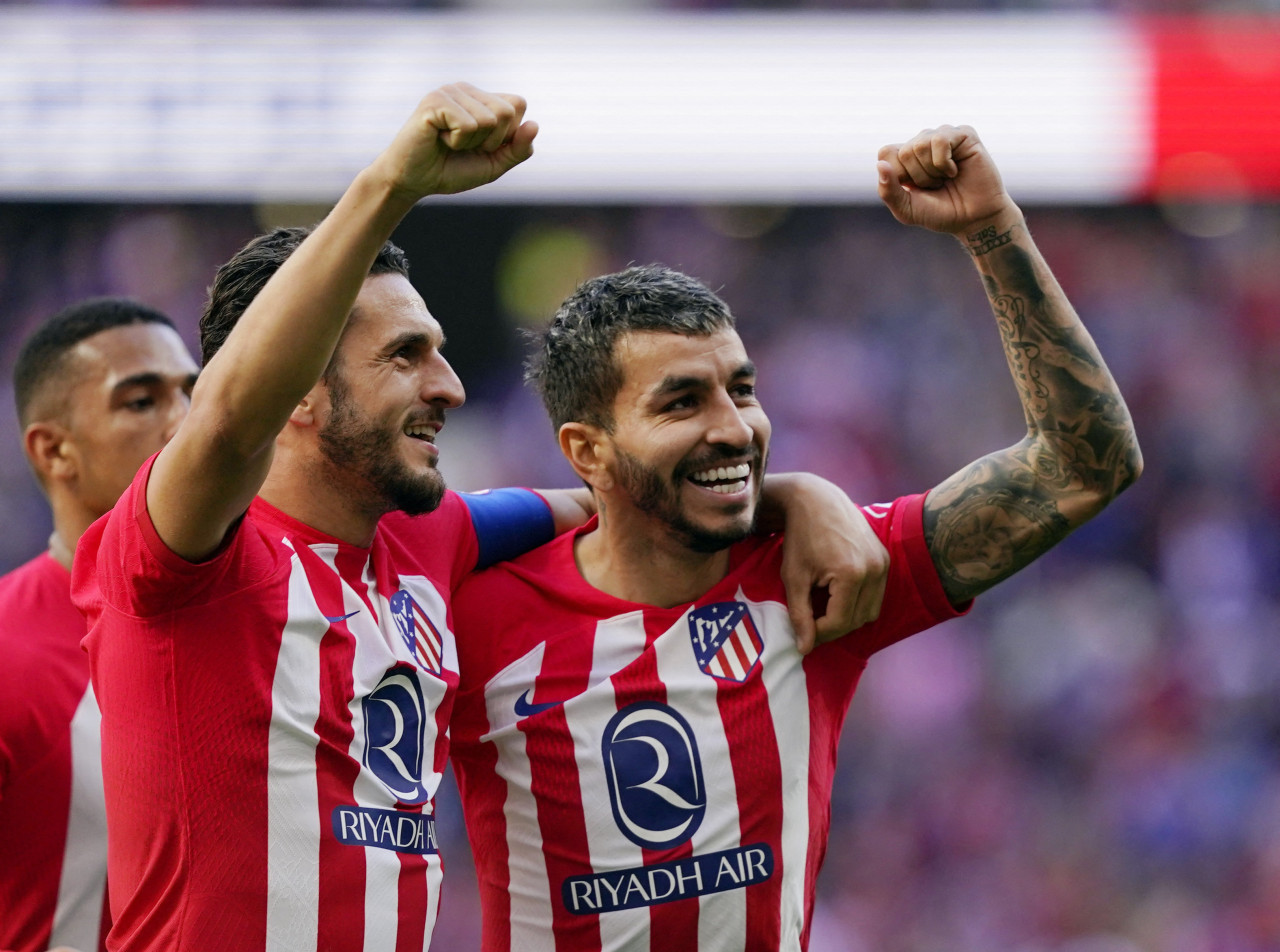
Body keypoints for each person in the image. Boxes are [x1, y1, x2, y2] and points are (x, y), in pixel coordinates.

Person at [70, 83, 886, 951]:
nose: (449, 387)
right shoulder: (181, 557)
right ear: (299, 393)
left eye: (442, 354)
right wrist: (391, 181)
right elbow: (230, 418)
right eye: (406, 357)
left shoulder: (431, 538)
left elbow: (639, 496)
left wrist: (796, 494)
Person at [447, 124, 1144, 951]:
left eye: (741, 389)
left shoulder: (820, 577)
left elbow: (1082, 465)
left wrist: (993, 229)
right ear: (587, 450)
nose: (734, 428)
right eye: (681, 403)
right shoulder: (471, 615)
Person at [1, 299, 199, 952]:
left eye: (195, 394)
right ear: (55, 450)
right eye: (141, 402)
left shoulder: (271, 614)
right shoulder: (9, 655)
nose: (185, 425)